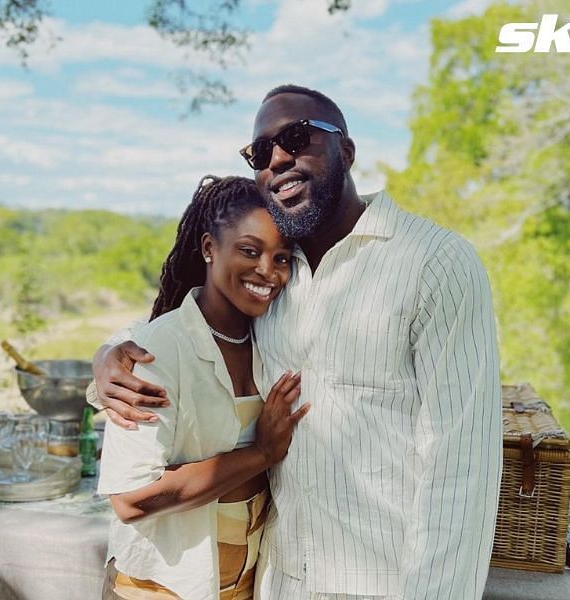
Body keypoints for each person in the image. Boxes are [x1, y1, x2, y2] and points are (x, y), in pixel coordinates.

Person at [92, 85, 501, 599]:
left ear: (346, 152)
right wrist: (109, 354)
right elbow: (188, 324)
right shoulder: (276, 280)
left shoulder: (435, 264)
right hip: (278, 581)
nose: (278, 159)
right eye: (260, 152)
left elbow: (463, 466)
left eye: (297, 138)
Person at [97, 175, 309, 600]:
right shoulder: (158, 351)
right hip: (161, 587)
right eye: (249, 251)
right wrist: (261, 454)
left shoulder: (275, 337)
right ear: (210, 248)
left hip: (247, 583)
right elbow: (130, 499)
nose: (267, 271)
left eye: (282, 258)